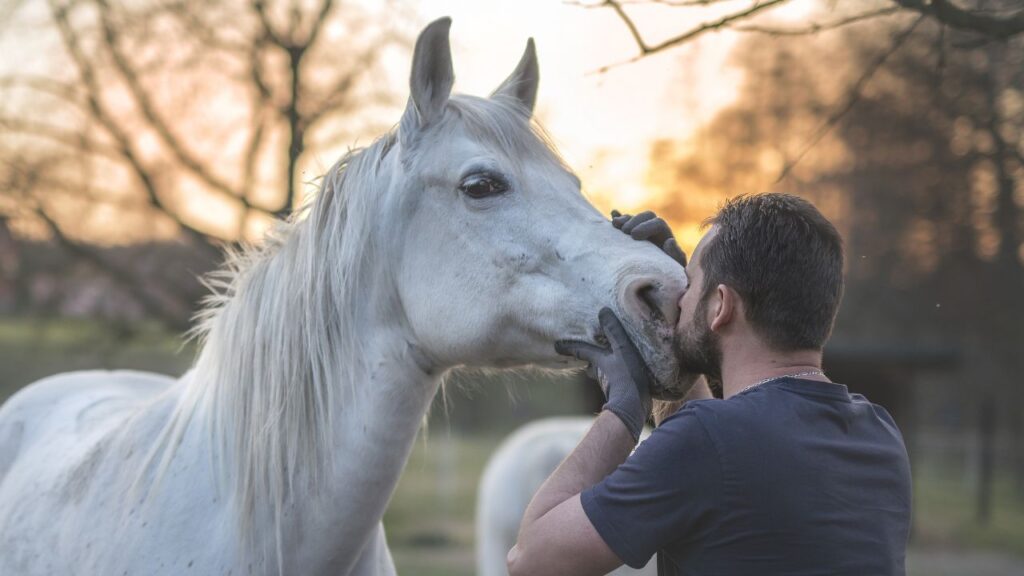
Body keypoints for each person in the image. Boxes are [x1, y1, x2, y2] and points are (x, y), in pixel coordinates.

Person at [506, 193, 912, 576]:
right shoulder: (879, 435)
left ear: (721, 306)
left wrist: (623, 411)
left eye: (691, 283)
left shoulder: (706, 441)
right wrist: (674, 339)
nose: (680, 299)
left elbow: (531, 558)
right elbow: (724, 455)